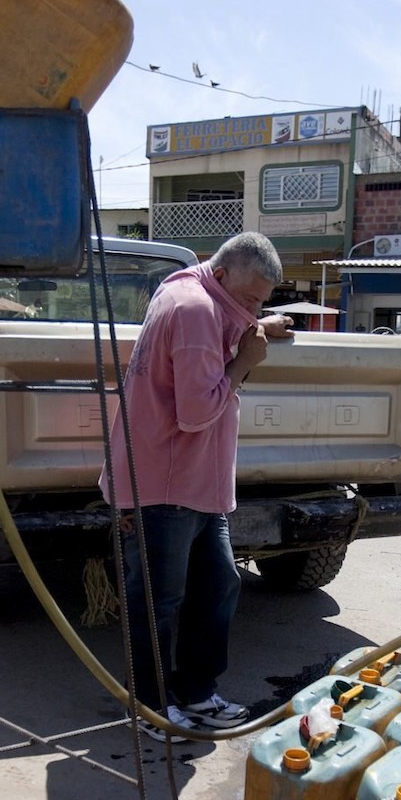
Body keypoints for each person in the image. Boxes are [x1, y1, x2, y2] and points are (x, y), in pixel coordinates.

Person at [100, 231, 291, 739]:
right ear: (223, 276)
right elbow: (198, 410)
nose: (252, 310)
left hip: (196, 484)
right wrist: (247, 362)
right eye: (249, 299)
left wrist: (258, 322)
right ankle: (149, 706)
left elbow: (223, 321)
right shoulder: (194, 311)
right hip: (167, 483)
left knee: (217, 584)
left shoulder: (189, 289)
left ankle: (197, 692)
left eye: (261, 303)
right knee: (159, 600)